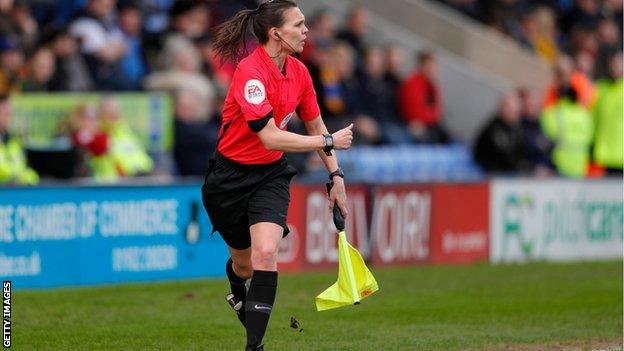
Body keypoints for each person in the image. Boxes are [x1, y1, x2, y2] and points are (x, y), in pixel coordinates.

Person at [203, 1, 353, 350]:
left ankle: (254, 346)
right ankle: (237, 287)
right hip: (227, 179)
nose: (306, 31)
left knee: (267, 253)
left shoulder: (299, 71)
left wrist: (336, 176)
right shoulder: (249, 72)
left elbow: (315, 122)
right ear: (276, 33)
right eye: (299, 25)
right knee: (244, 267)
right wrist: (328, 141)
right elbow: (268, 135)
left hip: (270, 174)